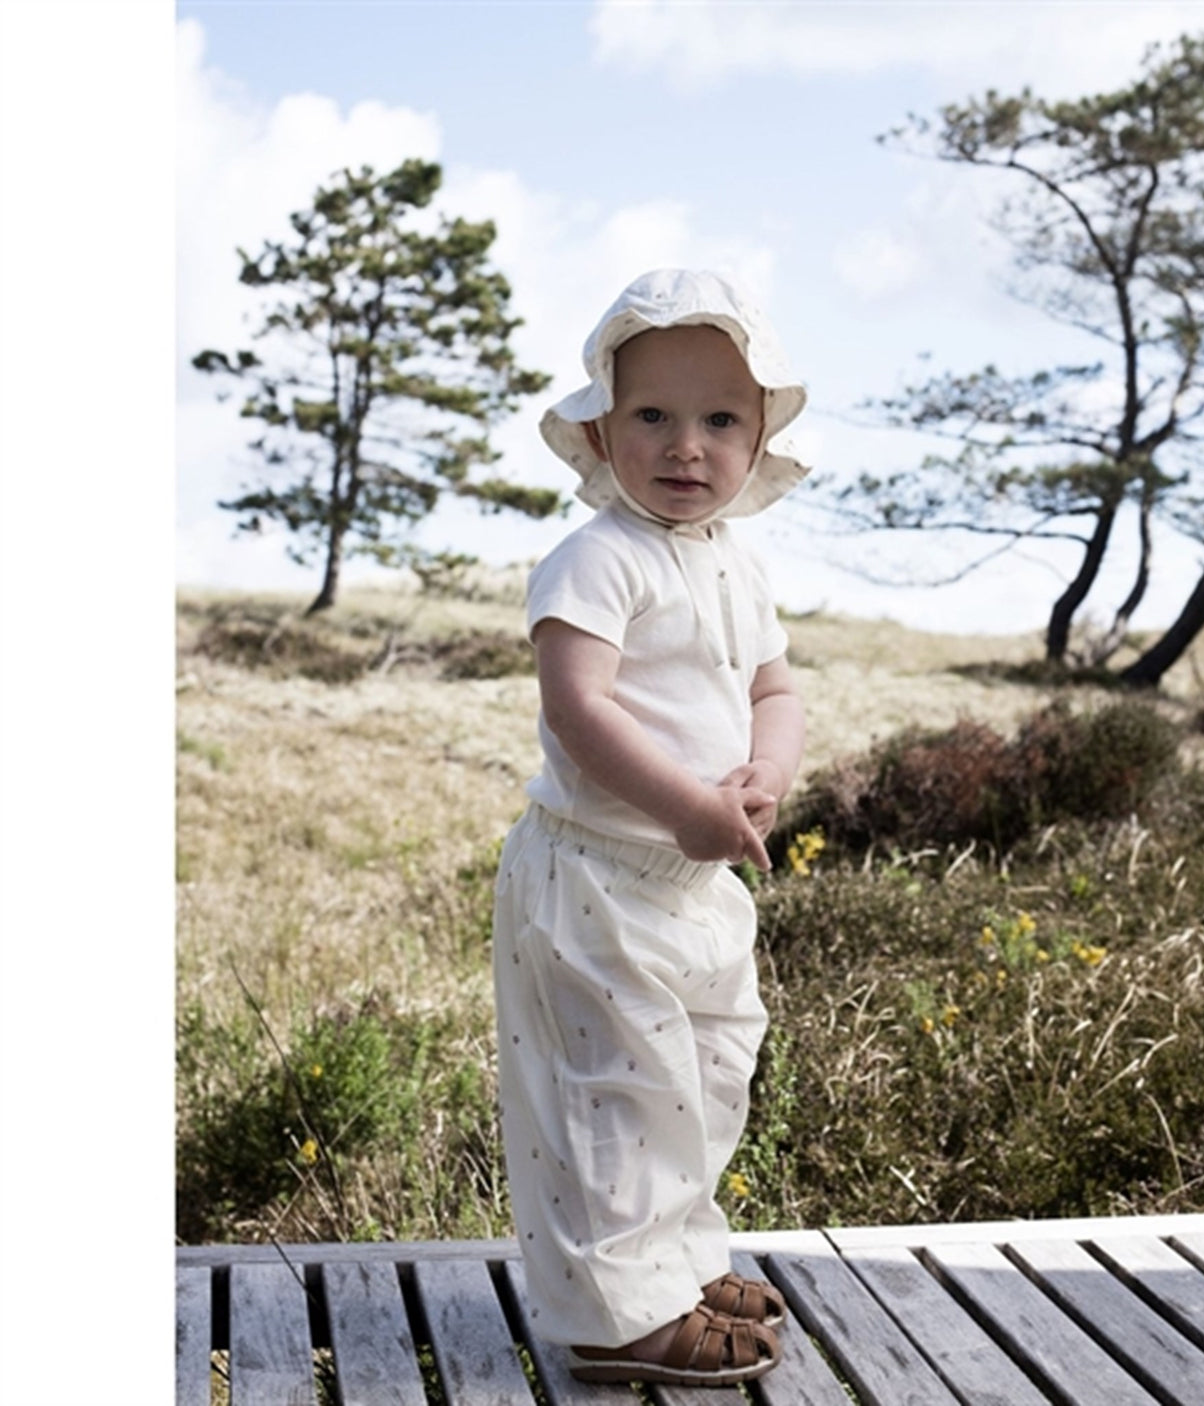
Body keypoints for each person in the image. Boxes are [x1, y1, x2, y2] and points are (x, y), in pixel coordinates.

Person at [491, 268, 809, 1387]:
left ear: (758, 431)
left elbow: (774, 690)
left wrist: (762, 773)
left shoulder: (737, 559)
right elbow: (578, 709)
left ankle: (670, 1263)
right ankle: (616, 1315)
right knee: (614, 1092)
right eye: (652, 416)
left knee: (708, 1068)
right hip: (601, 874)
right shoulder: (598, 558)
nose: (685, 446)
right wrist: (687, 806)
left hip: (699, 875)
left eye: (719, 418)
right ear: (601, 426)